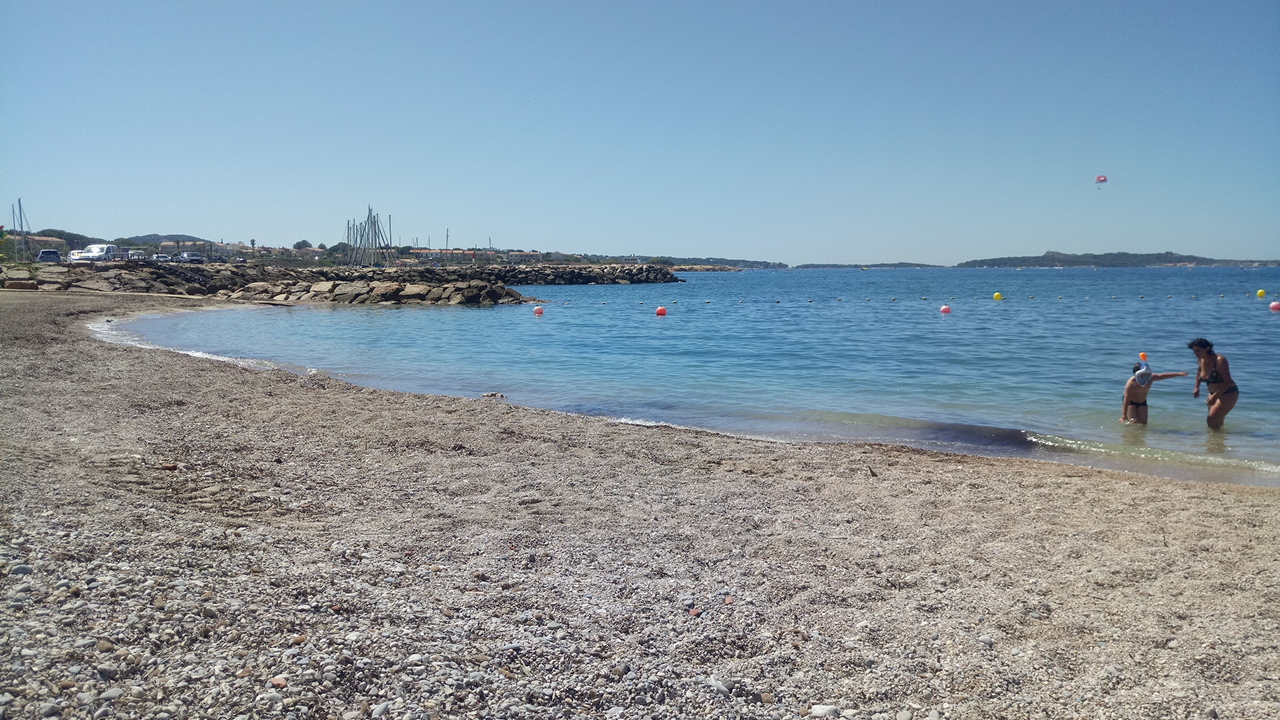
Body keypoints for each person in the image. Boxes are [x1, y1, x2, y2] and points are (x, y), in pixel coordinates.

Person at [1188, 338, 1239, 429]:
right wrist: (1197, 387)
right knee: (1217, 422)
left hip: (1228, 393)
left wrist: (1215, 396)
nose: (1196, 354)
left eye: (1199, 351)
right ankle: (1219, 441)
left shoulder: (1219, 360)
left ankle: (1215, 441)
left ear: (1207, 348)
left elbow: (1228, 382)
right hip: (1213, 394)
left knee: (1211, 420)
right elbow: (1199, 373)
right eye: (1194, 351)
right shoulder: (1201, 359)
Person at [1120, 363, 1188, 425]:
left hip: (1142, 401)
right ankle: (1128, 436)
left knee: (1143, 423)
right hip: (1131, 402)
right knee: (1133, 422)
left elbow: (1162, 376)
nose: (1145, 377)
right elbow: (1126, 399)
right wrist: (1124, 415)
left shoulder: (1151, 377)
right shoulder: (1131, 384)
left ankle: (1140, 437)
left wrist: (1178, 374)